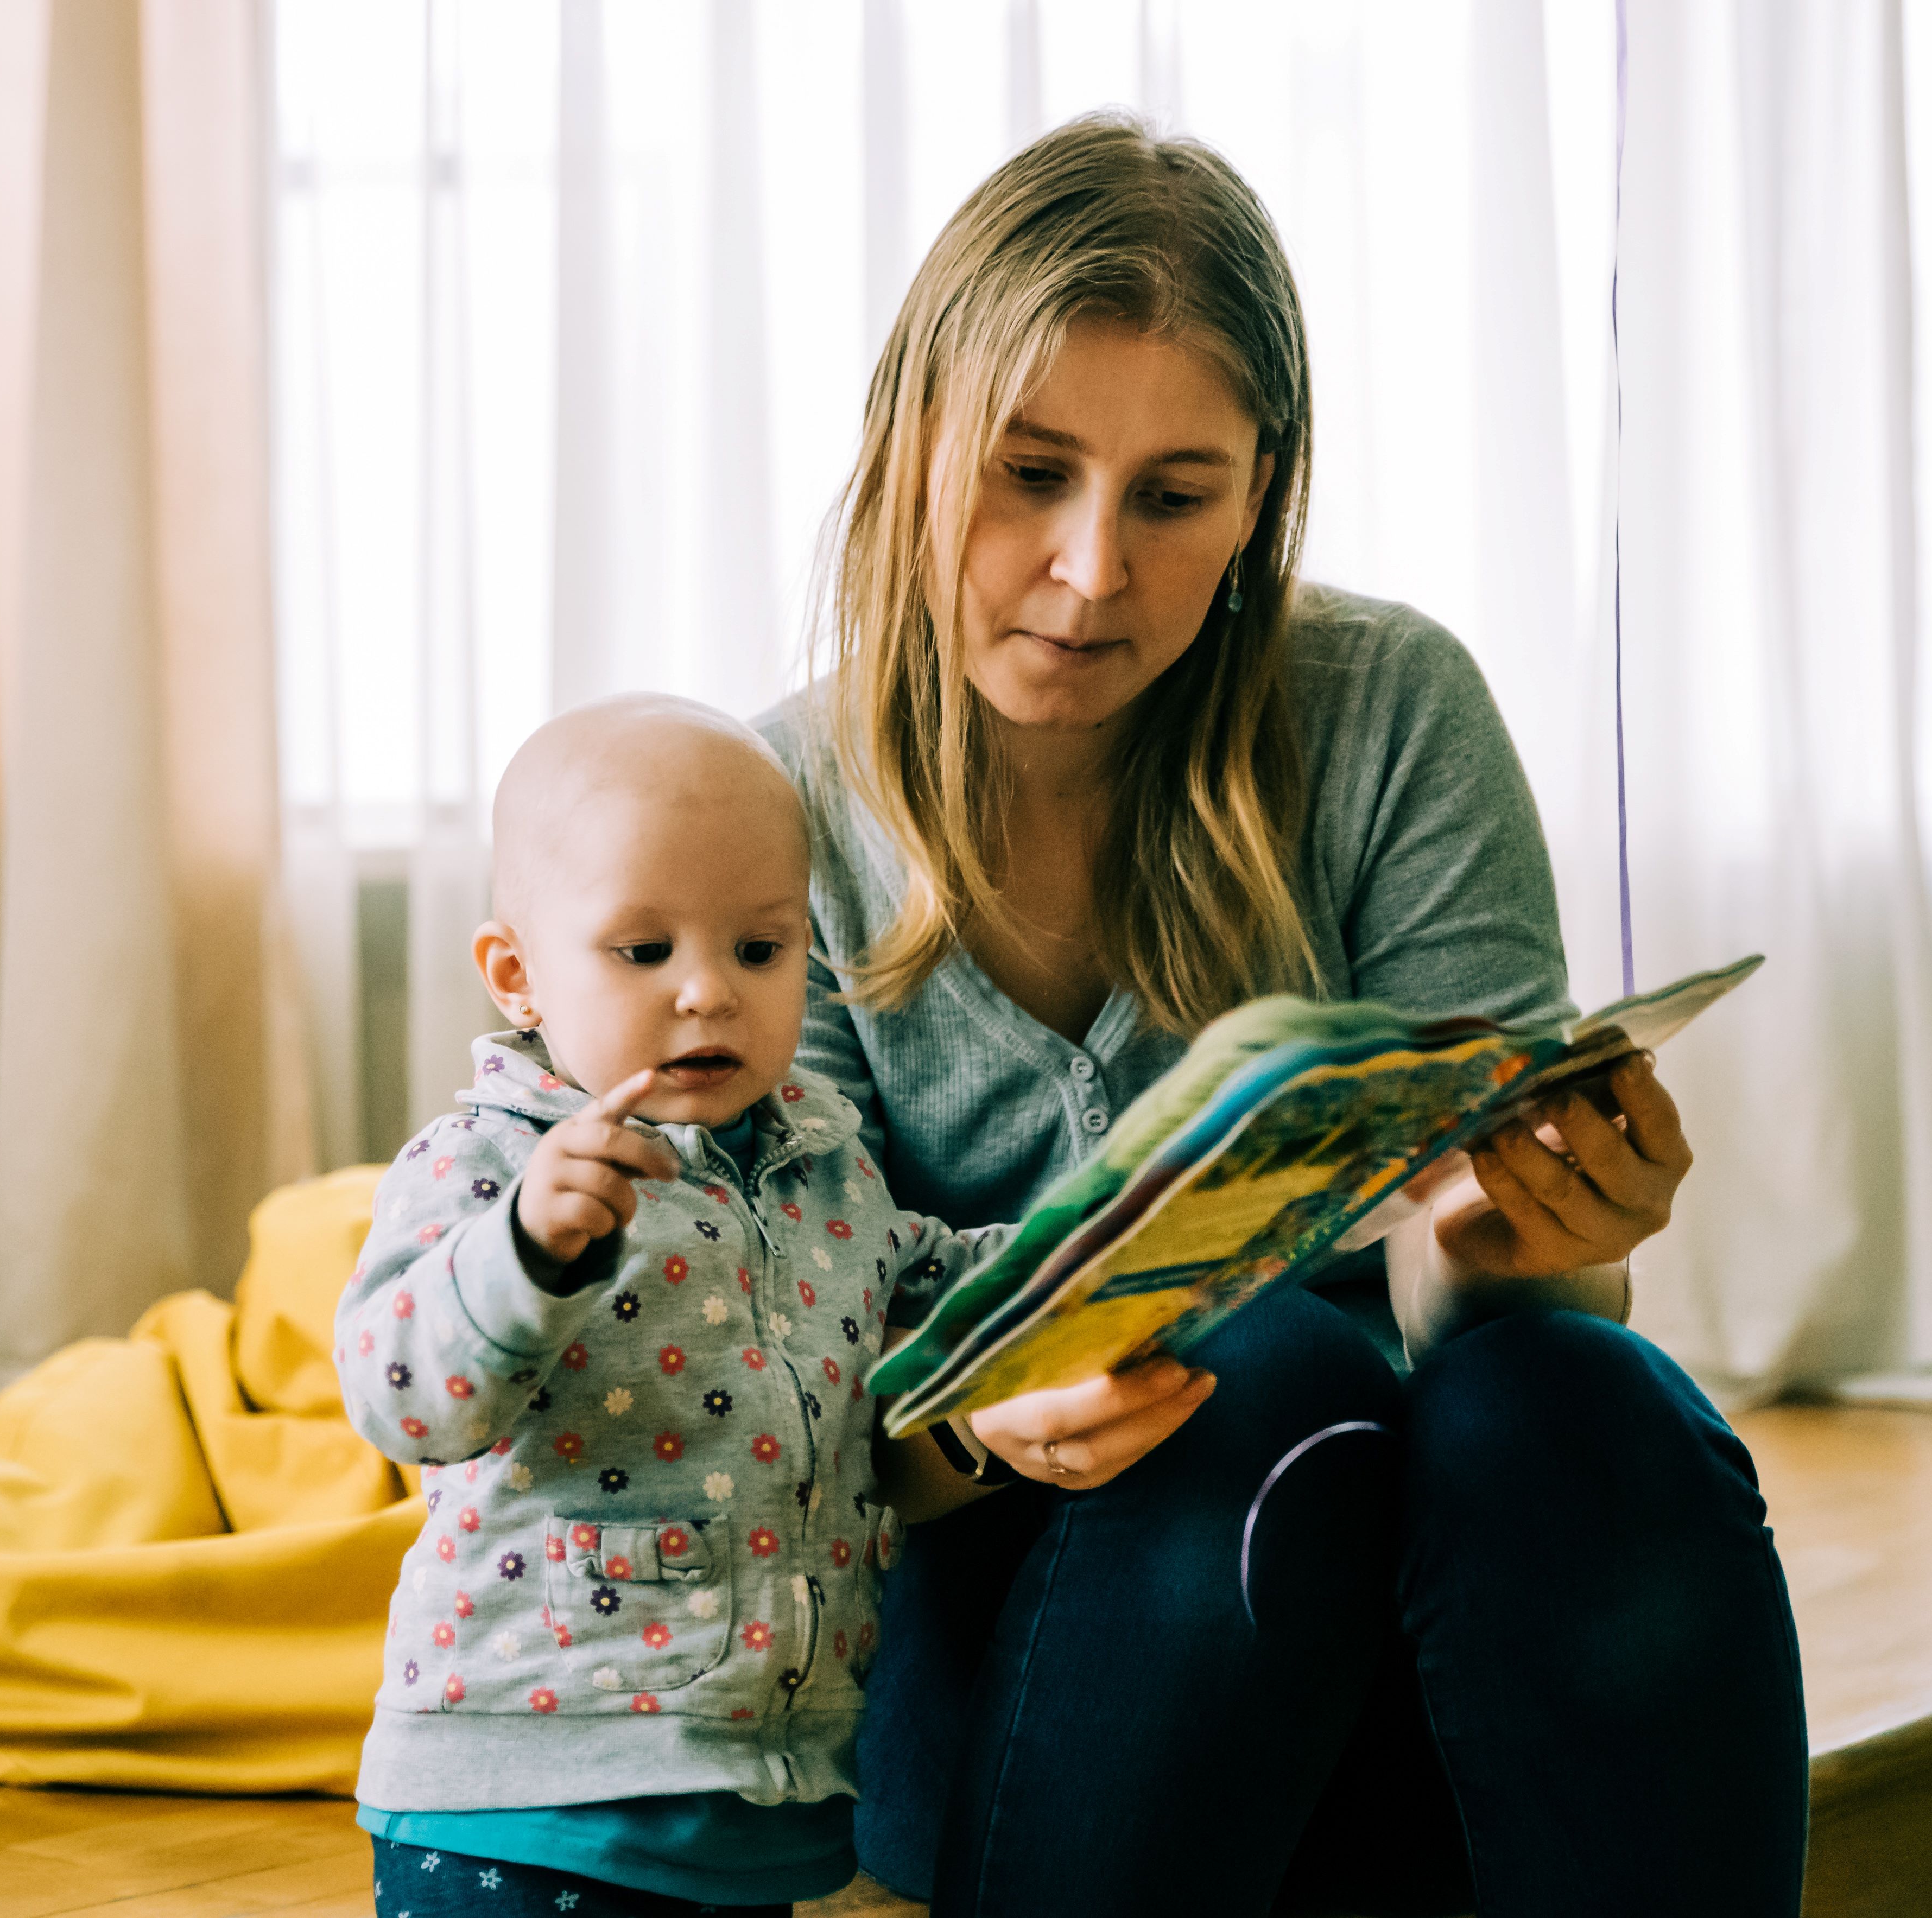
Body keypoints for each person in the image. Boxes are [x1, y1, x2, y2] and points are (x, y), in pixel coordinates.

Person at [763, 112, 1810, 1916]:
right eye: (1028, 474)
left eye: (1174, 498)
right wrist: (978, 1417)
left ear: (1262, 495)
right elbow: (785, 1419)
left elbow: (1482, 1333)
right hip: (1015, 1626)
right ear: (904, 440)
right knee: (1276, 1373)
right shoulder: (774, 814)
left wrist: (1526, 1232)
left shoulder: (1389, 708)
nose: (1092, 572)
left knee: (1586, 1392)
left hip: (1394, 1615)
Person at [334, 695, 1012, 1917]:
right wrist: (525, 1253)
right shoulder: (485, 1164)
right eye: (643, 953)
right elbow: (400, 1399)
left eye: (760, 950)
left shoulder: (826, 1162)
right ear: (517, 975)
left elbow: (934, 1273)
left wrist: (1101, 1252)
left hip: (764, 1788)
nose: (709, 992)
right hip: (523, 1795)